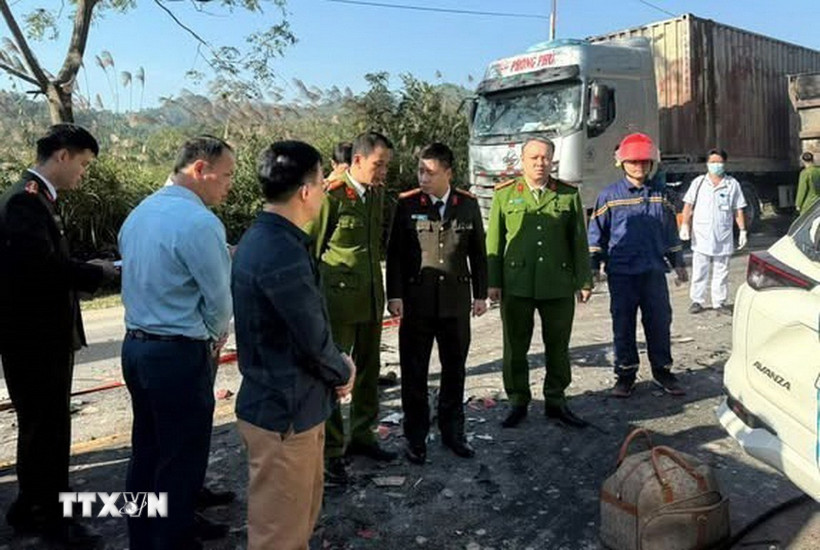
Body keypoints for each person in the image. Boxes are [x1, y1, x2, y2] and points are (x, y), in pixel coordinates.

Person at [232, 141, 355, 550]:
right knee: (279, 535)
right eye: (323, 182)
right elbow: (310, 334)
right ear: (306, 191)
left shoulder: (271, 238)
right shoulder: (279, 249)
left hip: (296, 405)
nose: (324, 191)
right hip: (282, 412)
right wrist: (343, 371)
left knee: (298, 523)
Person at [0, 124, 116, 546]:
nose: (83, 174)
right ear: (63, 156)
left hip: (43, 335)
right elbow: (42, 272)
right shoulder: (24, 203)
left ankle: (35, 502)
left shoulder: (39, 199)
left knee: (45, 425)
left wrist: (94, 266)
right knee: (45, 428)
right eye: (83, 164)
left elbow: (51, 260)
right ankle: (48, 516)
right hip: (34, 338)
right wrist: (100, 274)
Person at [118, 135, 235, 550]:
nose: (229, 186)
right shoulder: (200, 222)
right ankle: (173, 538)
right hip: (177, 352)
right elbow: (219, 301)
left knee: (147, 450)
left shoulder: (139, 214)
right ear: (200, 169)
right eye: (226, 176)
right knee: (181, 456)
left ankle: (143, 535)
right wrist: (213, 337)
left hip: (135, 347)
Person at [386, 143, 488, 464]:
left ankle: (453, 432)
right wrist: (395, 295)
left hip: (455, 305)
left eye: (430, 172)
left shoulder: (467, 205)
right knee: (414, 372)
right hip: (417, 304)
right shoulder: (407, 204)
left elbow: (478, 253)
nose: (423, 177)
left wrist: (481, 294)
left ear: (448, 173)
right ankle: (415, 437)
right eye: (420, 171)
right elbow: (395, 254)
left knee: (454, 370)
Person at [485, 137, 592, 429]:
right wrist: (492, 282)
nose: (539, 163)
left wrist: (584, 280)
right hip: (516, 284)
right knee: (515, 347)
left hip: (557, 283)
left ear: (552, 161)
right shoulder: (505, 195)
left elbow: (578, 242)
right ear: (522, 161)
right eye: (533, 158)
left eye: (545, 158)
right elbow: (493, 240)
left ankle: (556, 400)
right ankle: (518, 401)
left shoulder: (568, 195)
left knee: (558, 345)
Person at [310, 131, 396, 485]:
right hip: (338, 305)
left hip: (371, 300)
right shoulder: (331, 196)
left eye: (387, 166)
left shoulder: (375, 195)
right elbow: (311, 253)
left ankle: (363, 434)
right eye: (379, 165)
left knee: (368, 372)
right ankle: (332, 451)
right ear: (357, 161)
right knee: (334, 375)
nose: (383, 172)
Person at [588, 133, 689, 398]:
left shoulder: (661, 196)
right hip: (622, 273)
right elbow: (596, 234)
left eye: (644, 162)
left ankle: (663, 371)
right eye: (633, 162)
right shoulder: (608, 196)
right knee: (623, 324)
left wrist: (678, 263)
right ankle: (625, 375)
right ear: (622, 163)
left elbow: (670, 233)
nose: (639, 167)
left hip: (654, 271)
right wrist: (593, 267)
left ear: (651, 164)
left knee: (659, 322)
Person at [678, 149, 747, 313]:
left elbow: (738, 209)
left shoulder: (732, 184)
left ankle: (719, 302)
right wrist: (685, 225)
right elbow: (688, 205)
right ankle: (697, 300)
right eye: (712, 162)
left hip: (723, 234)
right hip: (701, 234)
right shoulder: (699, 182)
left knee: (721, 270)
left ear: (724, 163)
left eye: (719, 162)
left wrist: (743, 230)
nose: (715, 165)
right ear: (707, 164)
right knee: (700, 268)